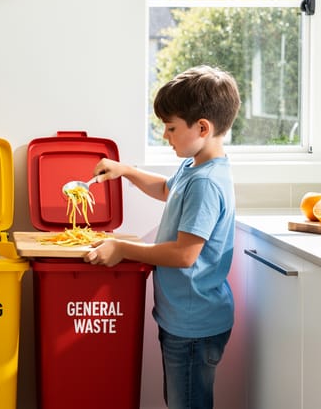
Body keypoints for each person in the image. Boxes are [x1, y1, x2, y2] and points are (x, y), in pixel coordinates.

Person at [83, 65, 240, 409]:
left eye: (171, 128)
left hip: (193, 325)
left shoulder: (206, 183)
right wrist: (125, 171)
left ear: (202, 127)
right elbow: (166, 189)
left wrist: (123, 248)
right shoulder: (195, 166)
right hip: (184, 318)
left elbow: (185, 255)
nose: (166, 136)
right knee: (181, 400)